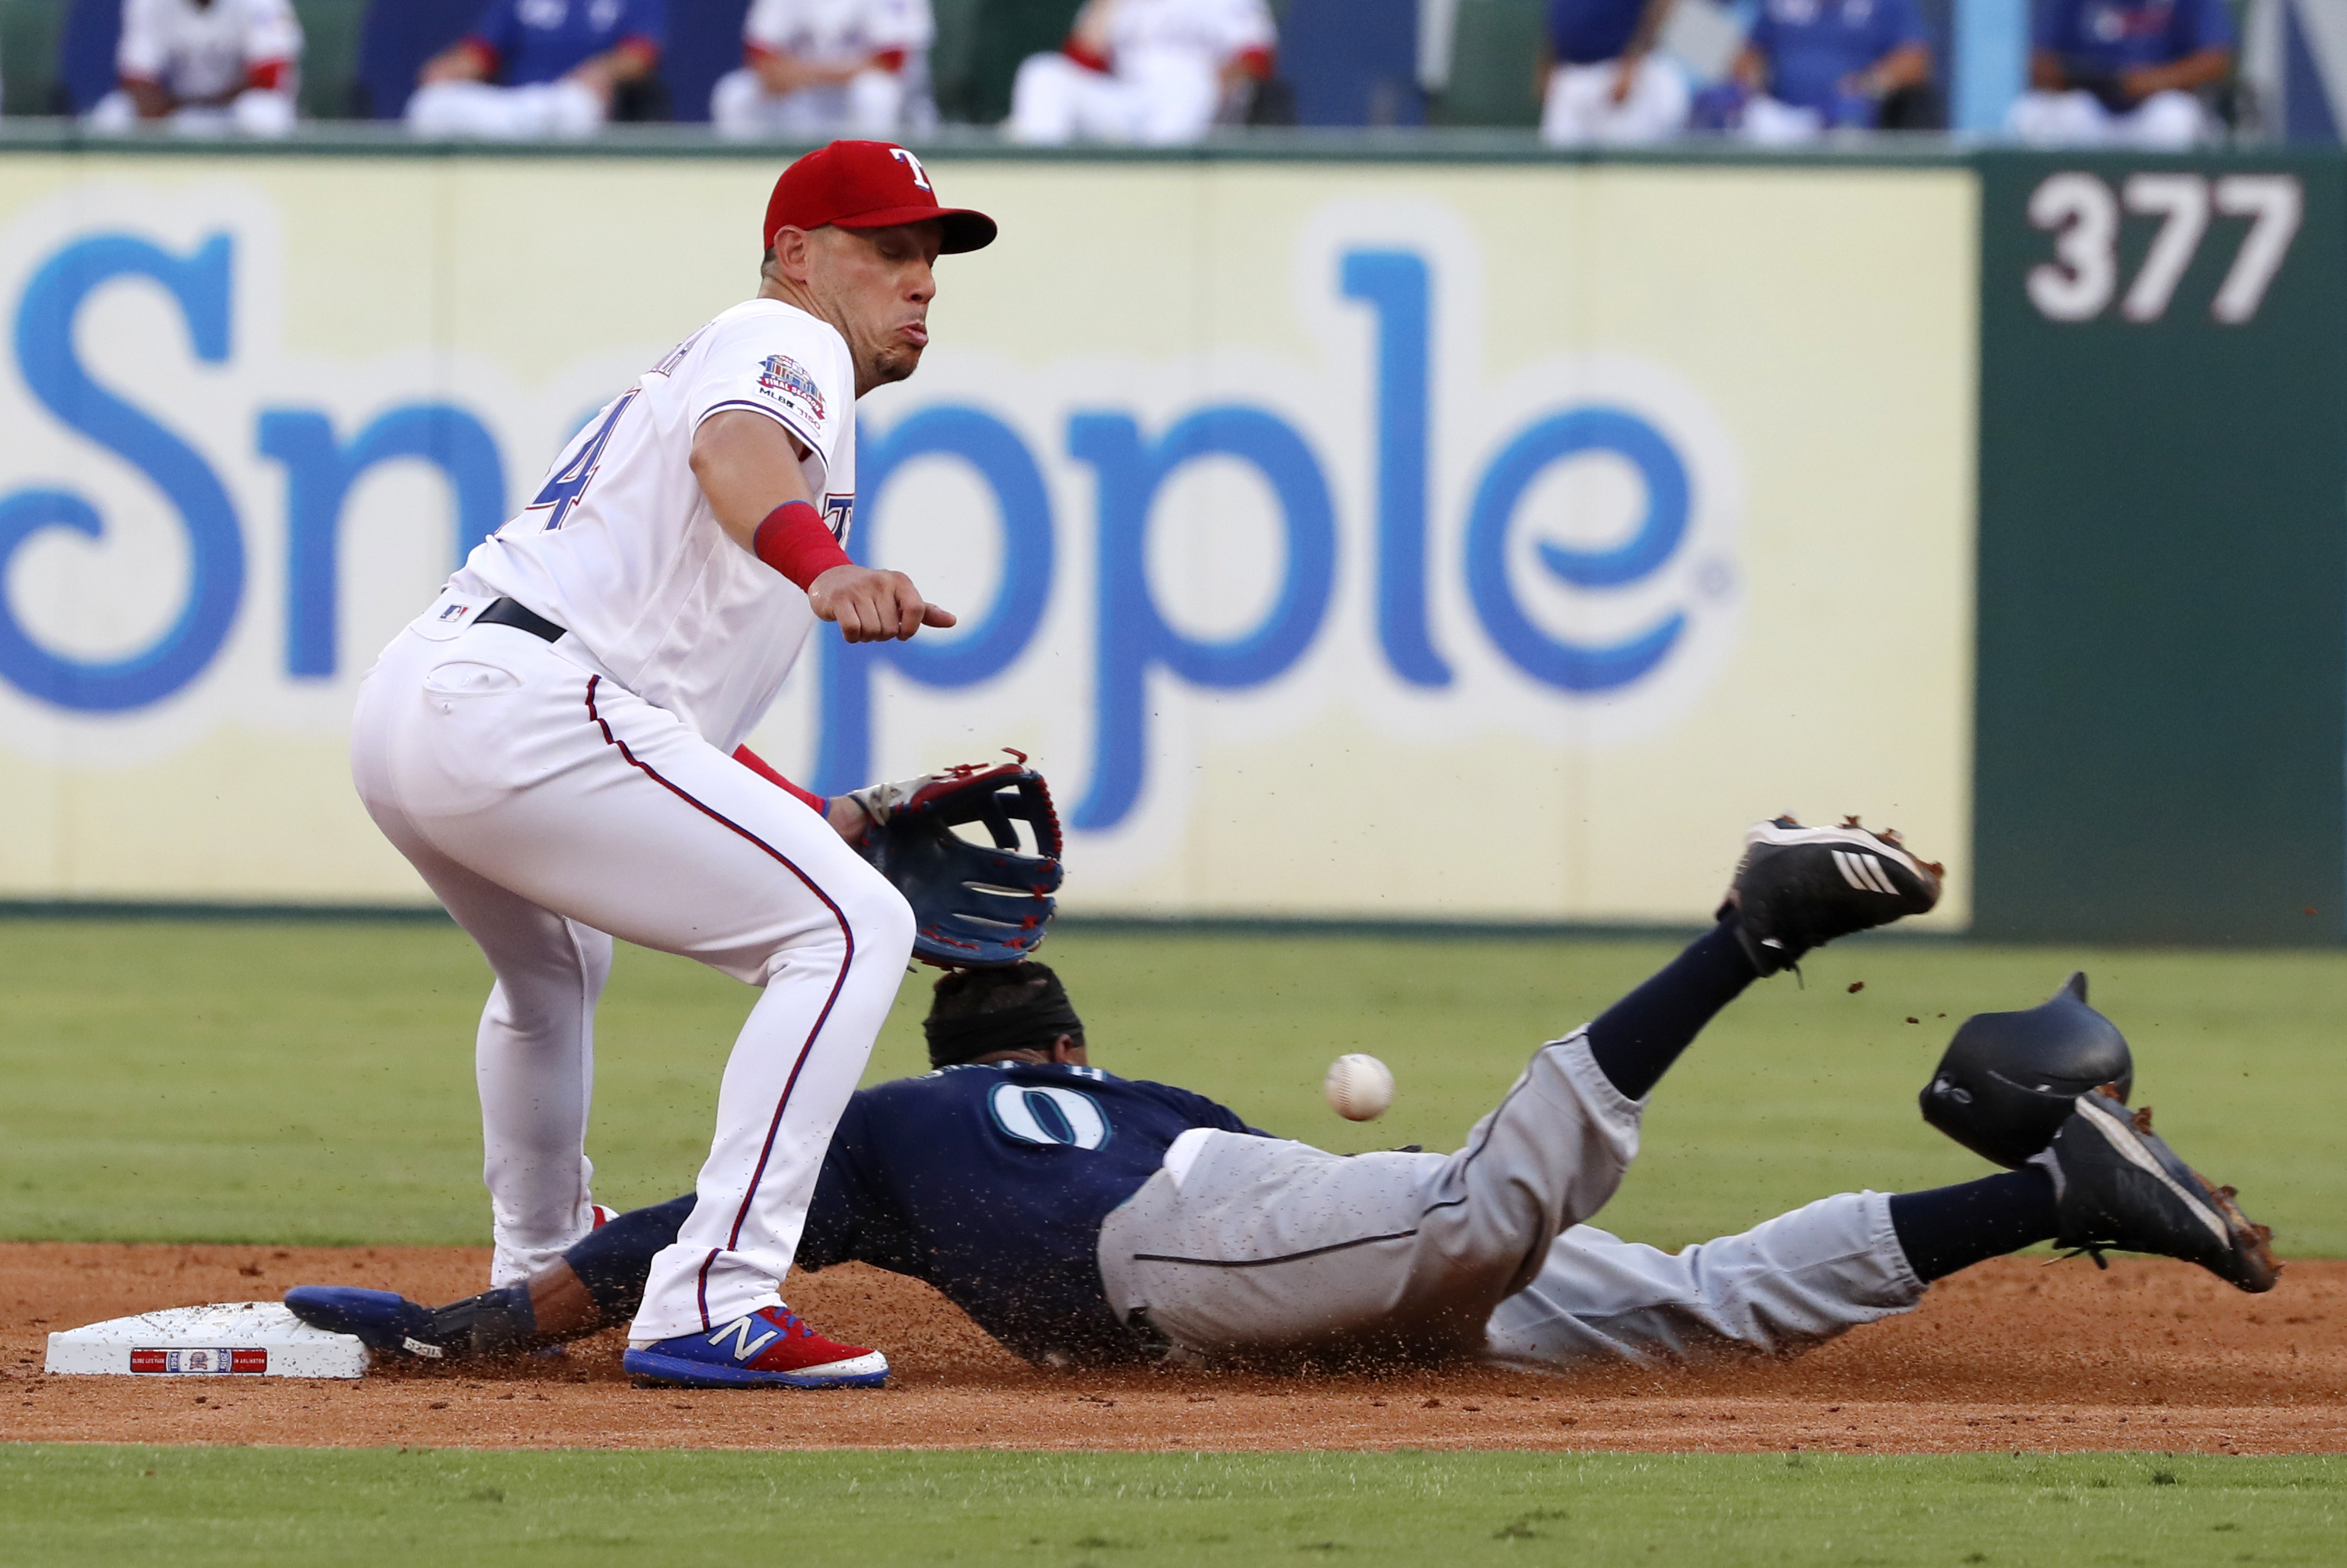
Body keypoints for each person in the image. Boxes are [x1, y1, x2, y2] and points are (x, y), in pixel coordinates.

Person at [285, 820, 2281, 1380]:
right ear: (1055, 1051)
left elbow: (654, 1250)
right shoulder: (1127, 1081)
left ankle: (1739, 938)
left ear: (957, 1058)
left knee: (1475, 1213)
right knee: (1681, 1296)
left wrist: (460, 1325)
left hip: (1204, 1251)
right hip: (1258, 1201)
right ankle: (2047, 1188)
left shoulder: (888, 1136)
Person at [343, 140, 998, 1390]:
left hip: (433, 703)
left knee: (552, 970)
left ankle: (535, 1262)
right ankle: (712, 1296)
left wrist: (825, 813)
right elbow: (736, 457)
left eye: (928, 256)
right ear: (797, 258)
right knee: (848, 931)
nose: (918, 281)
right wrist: (830, 571)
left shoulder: (726, 363)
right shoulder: (782, 339)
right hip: (527, 704)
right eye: (886, 249)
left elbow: (658, 725)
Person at [1007, 0, 1276, 147]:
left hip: (1194, 108)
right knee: (1043, 72)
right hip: (1129, 104)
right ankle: (1041, 180)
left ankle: (1158, 183)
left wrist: (1214, 88)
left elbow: (1255, 59)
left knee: (1189, 84)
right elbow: (1082, 63)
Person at [406, 0, 666, 140]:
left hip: (570, 103)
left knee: (576, 107)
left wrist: (603, 71)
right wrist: (450, 69)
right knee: (429, 106)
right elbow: (483, 52)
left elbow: (641, 55)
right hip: (516, 106)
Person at [2007, 0, 2232, 149]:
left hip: (2155, 108)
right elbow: (2038, 64)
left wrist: (2140, 83)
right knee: (2030, 114)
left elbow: (2216, 60)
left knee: (2176, 116)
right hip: (2088, 106)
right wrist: (2097, 79)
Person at [1705, 0, 1933, 143]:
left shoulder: (1887, 5)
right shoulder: (1780, 5)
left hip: (1848, 117)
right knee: (1721, 104)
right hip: (1781, 117)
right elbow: (1748, 56)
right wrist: (1750, 82)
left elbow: (1915, 62)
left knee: (1848, 115)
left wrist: (1866, 84)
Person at [709, 0, 934, 139]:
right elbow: (760, 58)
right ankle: (745, 182)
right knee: (734, 94)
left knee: (873, 93)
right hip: (804, 96)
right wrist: (813, 75)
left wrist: (807, 73)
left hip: (863, 96)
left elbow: (890, 62)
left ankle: (872, 179)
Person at [88, 0, 302, 137]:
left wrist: (193, 107)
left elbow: (268, 80)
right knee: (112, 114)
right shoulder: (148, 4)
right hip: (177, 114)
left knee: (261, 113)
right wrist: (174, 111)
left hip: (233, 115)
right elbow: (137, 81)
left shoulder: (262, 4)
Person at [1538, 0, 1688, 148]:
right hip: (1568, 72)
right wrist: (1549, 60)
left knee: (1622, 164)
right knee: (1558, 164)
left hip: (1619, 71)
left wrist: (1634, 60)